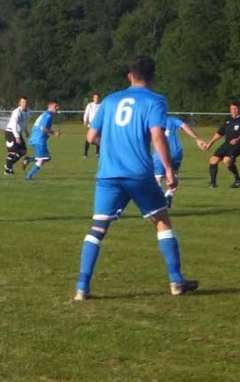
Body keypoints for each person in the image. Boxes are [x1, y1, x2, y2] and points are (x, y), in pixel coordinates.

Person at [73, 55, 197, 301]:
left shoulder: (109, 100)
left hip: (108, 174)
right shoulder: (155, 101)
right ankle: (176, 281)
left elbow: (90, 136)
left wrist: (109, 145)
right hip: (138, 174)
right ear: (153, 77)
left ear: (130, 76)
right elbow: (158, 136)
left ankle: (81, 287)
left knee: (97, 228)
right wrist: (169, 170)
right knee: (162, 221)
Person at [156, 114, 209, 206]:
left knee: (158, 177)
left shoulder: (153, 121)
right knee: (174, 174)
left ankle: (159, 199)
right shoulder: (172, 120)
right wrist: (197, 139)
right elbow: (185, 126)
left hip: (161, 152)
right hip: (176, 152)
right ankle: (169, 194)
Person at [206, 98, 240, 188]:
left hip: (238, 144)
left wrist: (238, 139)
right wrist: (210, 143)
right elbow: (220, 133)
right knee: (213, 160)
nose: (234, 110)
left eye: (236, 108)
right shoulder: (228, 119)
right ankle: (212, 183)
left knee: (226, 160)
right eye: (232, 109)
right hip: (227, 144)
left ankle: (238, 180)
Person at [23, 100, 61, 181]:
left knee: (47, 158)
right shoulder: (48, 116)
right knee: (42, 159)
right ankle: (28, 176)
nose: (57, 108)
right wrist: (54, 133)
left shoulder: (44, 114)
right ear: (50, 106)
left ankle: (29, 160)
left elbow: (38, 127)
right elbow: (42, 128)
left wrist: (46, 135)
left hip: (37, 138)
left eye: (57, 106)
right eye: (55, 106)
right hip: (39, 140)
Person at [2, 96, 29, 175]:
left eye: (26, 102)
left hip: (18, 133)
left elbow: (24, 122)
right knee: (13, 152)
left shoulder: (28, 111)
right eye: (23, 102)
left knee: (23, 151)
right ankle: (8, 170)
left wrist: (26, 131)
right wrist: (17, 137)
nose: (25, 104)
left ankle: (8, 165)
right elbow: (14, 125)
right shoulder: (16, 112)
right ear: (20, 103)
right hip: (10, 132)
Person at [81, 93, 101, 157]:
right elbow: (86, 113)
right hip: (91, 124)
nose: (96, 99)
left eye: (97, 98)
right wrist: (85, 120)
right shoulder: (90, 105)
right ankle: (85, 153)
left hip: (99, 124)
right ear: (93, 98)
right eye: (95, 97)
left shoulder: (101, 105)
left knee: (99, 138)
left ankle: (97, 153)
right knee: (89, 138)